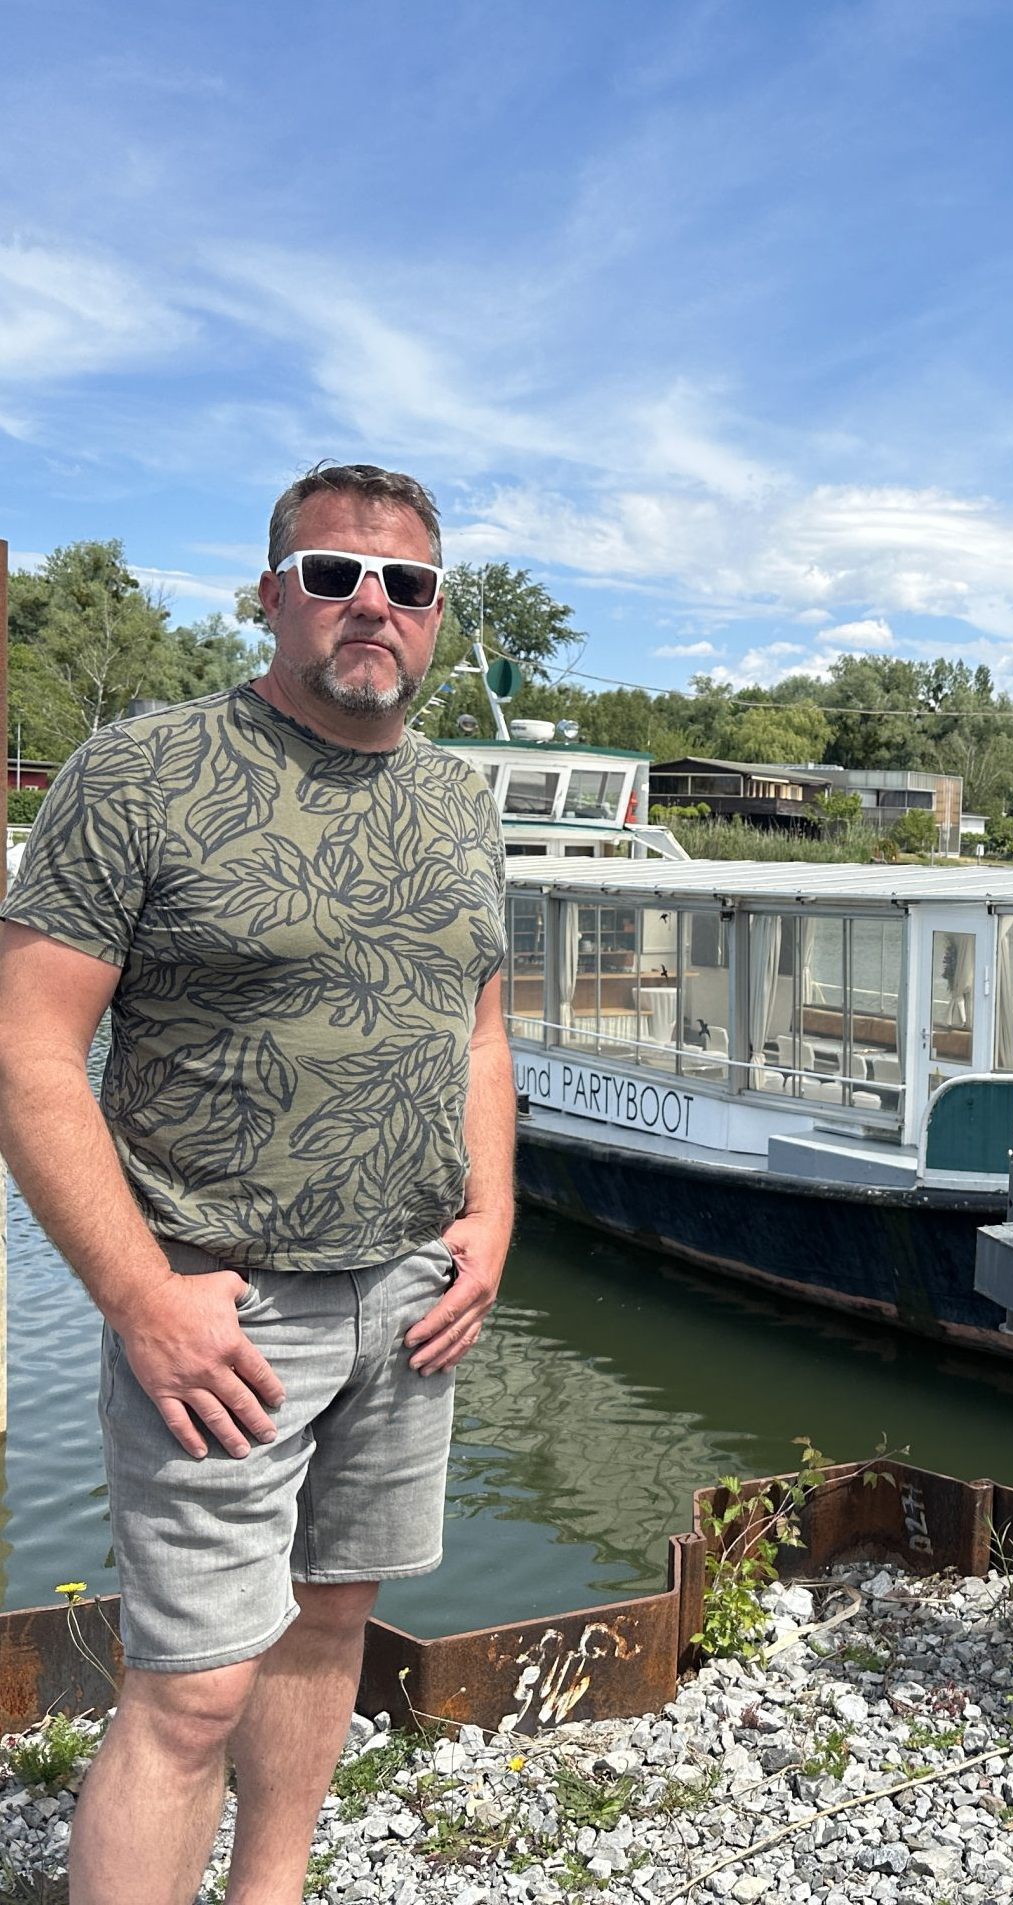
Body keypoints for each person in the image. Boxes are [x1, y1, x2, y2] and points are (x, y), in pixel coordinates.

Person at [0, 463, 514, 1905]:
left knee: (327, 1623)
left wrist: (493, 1213)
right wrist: (139, 1295)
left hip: (415, 1296)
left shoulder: (460, 804)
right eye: (335, 571)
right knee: (192, 1690)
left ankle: (269, 1892)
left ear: (434, 618)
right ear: (272, 590)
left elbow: (478, 1025)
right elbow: (28, 1046)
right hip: (222, 1314)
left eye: (406, 584)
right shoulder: (145, 772)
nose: (373, 605)